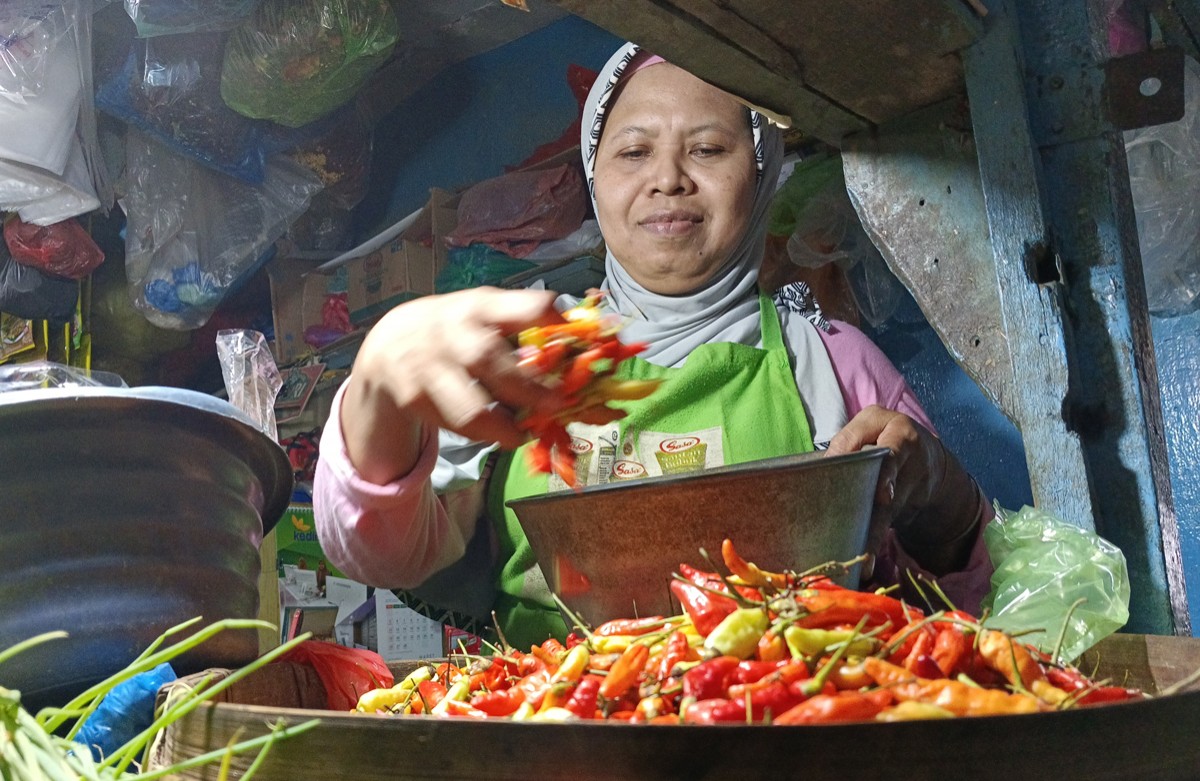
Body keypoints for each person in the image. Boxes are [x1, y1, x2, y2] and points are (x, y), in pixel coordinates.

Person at [313, 43, 994, 650]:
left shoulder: (832, 363)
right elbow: (381, 553)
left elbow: (975, 596)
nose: (667, 177)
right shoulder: (524, 360)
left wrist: (940, 493)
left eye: (707, 149)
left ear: (758, 176)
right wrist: (375, 388)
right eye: (633, 151)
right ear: (594, 178)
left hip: (789, 728)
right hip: (560, 734)